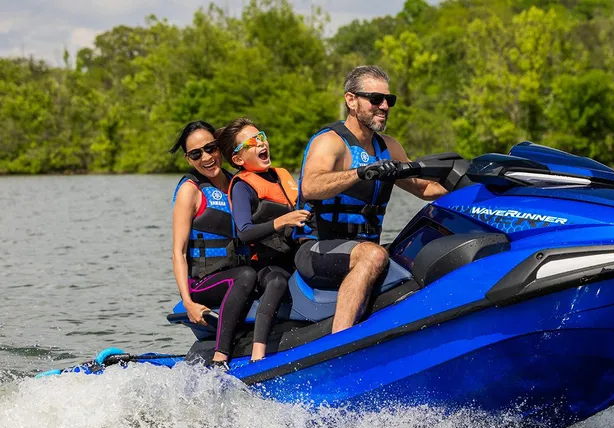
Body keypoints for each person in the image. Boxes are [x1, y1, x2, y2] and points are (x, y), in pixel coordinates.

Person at [295, 65, 448, 333]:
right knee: (374, 255)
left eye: (389, 100)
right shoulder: (331, 142)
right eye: (375, 99)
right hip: (317, 249)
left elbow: (425, 189)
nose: (384, 106)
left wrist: (481, 186)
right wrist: (360, 173)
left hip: (363, 247)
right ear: (351, 100)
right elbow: (311, 186)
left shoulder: (388, 147)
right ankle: (339, 343)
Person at [216, 118, 310, 362]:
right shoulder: (242, 187)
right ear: (237, 159)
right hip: (267, 265)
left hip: (299, 254)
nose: (262, 143)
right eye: (252, 142)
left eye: (262, 136)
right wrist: (282, 221)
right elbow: (244, 232)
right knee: (277, 282)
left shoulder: (282, 176)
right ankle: (258, 356)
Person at [170, 121, 258, 369]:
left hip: (238, 272)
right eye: (196, 154)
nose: (206, 158)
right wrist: (188, 303)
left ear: (220, 148)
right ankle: (221, 356)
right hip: (204, 282)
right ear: (189, 159)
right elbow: (178, 251)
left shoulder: (237, 183)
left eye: (210, 148)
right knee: (246, 275)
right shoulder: (191, 190)